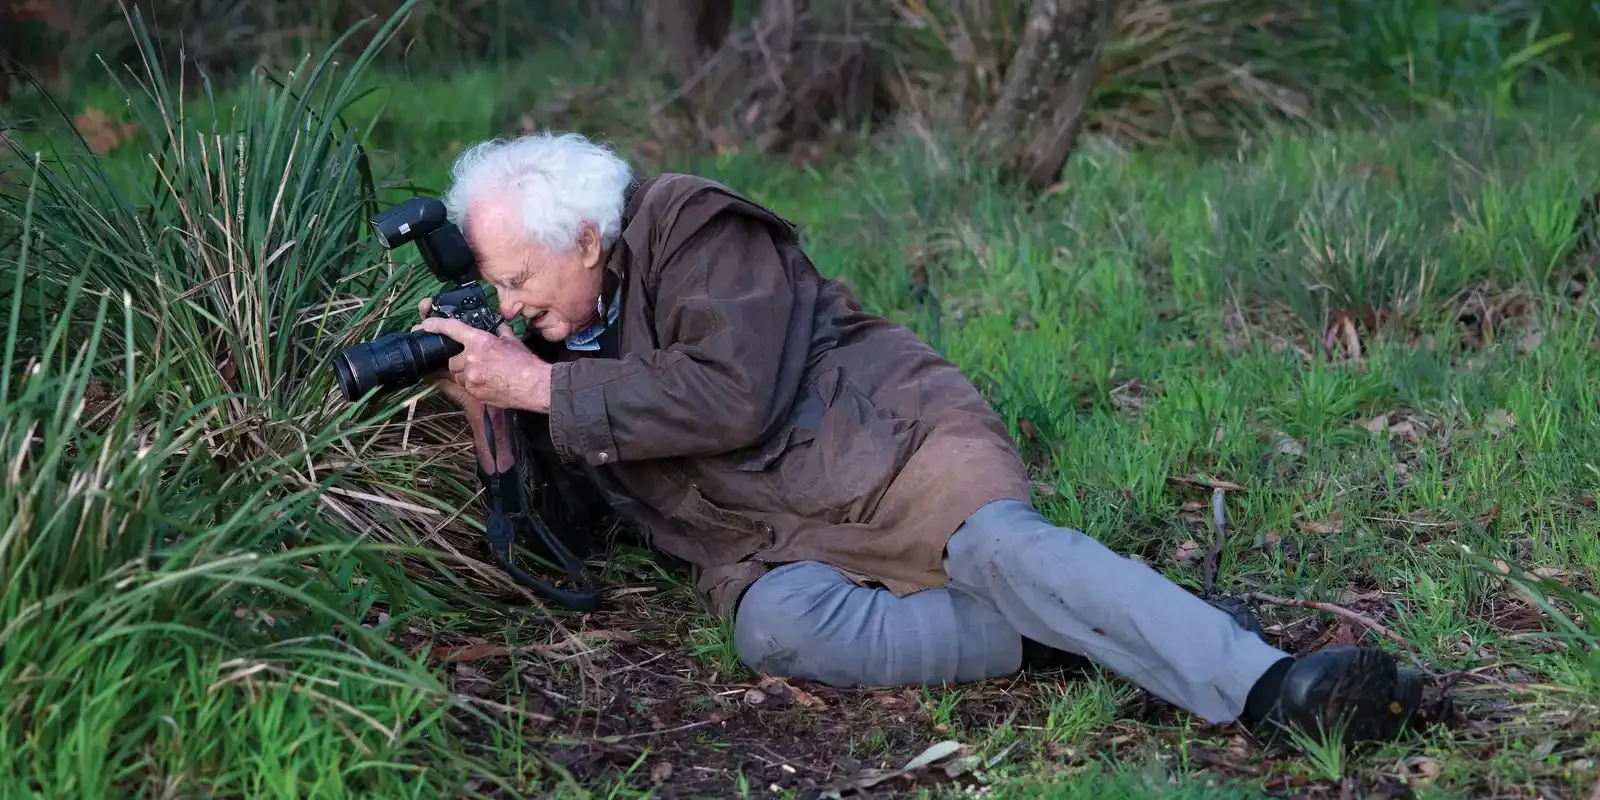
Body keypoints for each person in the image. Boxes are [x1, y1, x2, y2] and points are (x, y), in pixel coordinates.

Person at [412, 131, 1425, 744]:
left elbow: (730, 398)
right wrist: (496, 415)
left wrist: (546, 383)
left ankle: (1265, 687)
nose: (509, 305)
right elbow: (573, 535)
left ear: (586, 238)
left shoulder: (687, 224)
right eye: (496, 287)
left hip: (885, 445)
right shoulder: (551, 339)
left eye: (517, 279)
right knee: (778, 633)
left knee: (996, 549)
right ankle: (1103, 625)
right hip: (763, 537)